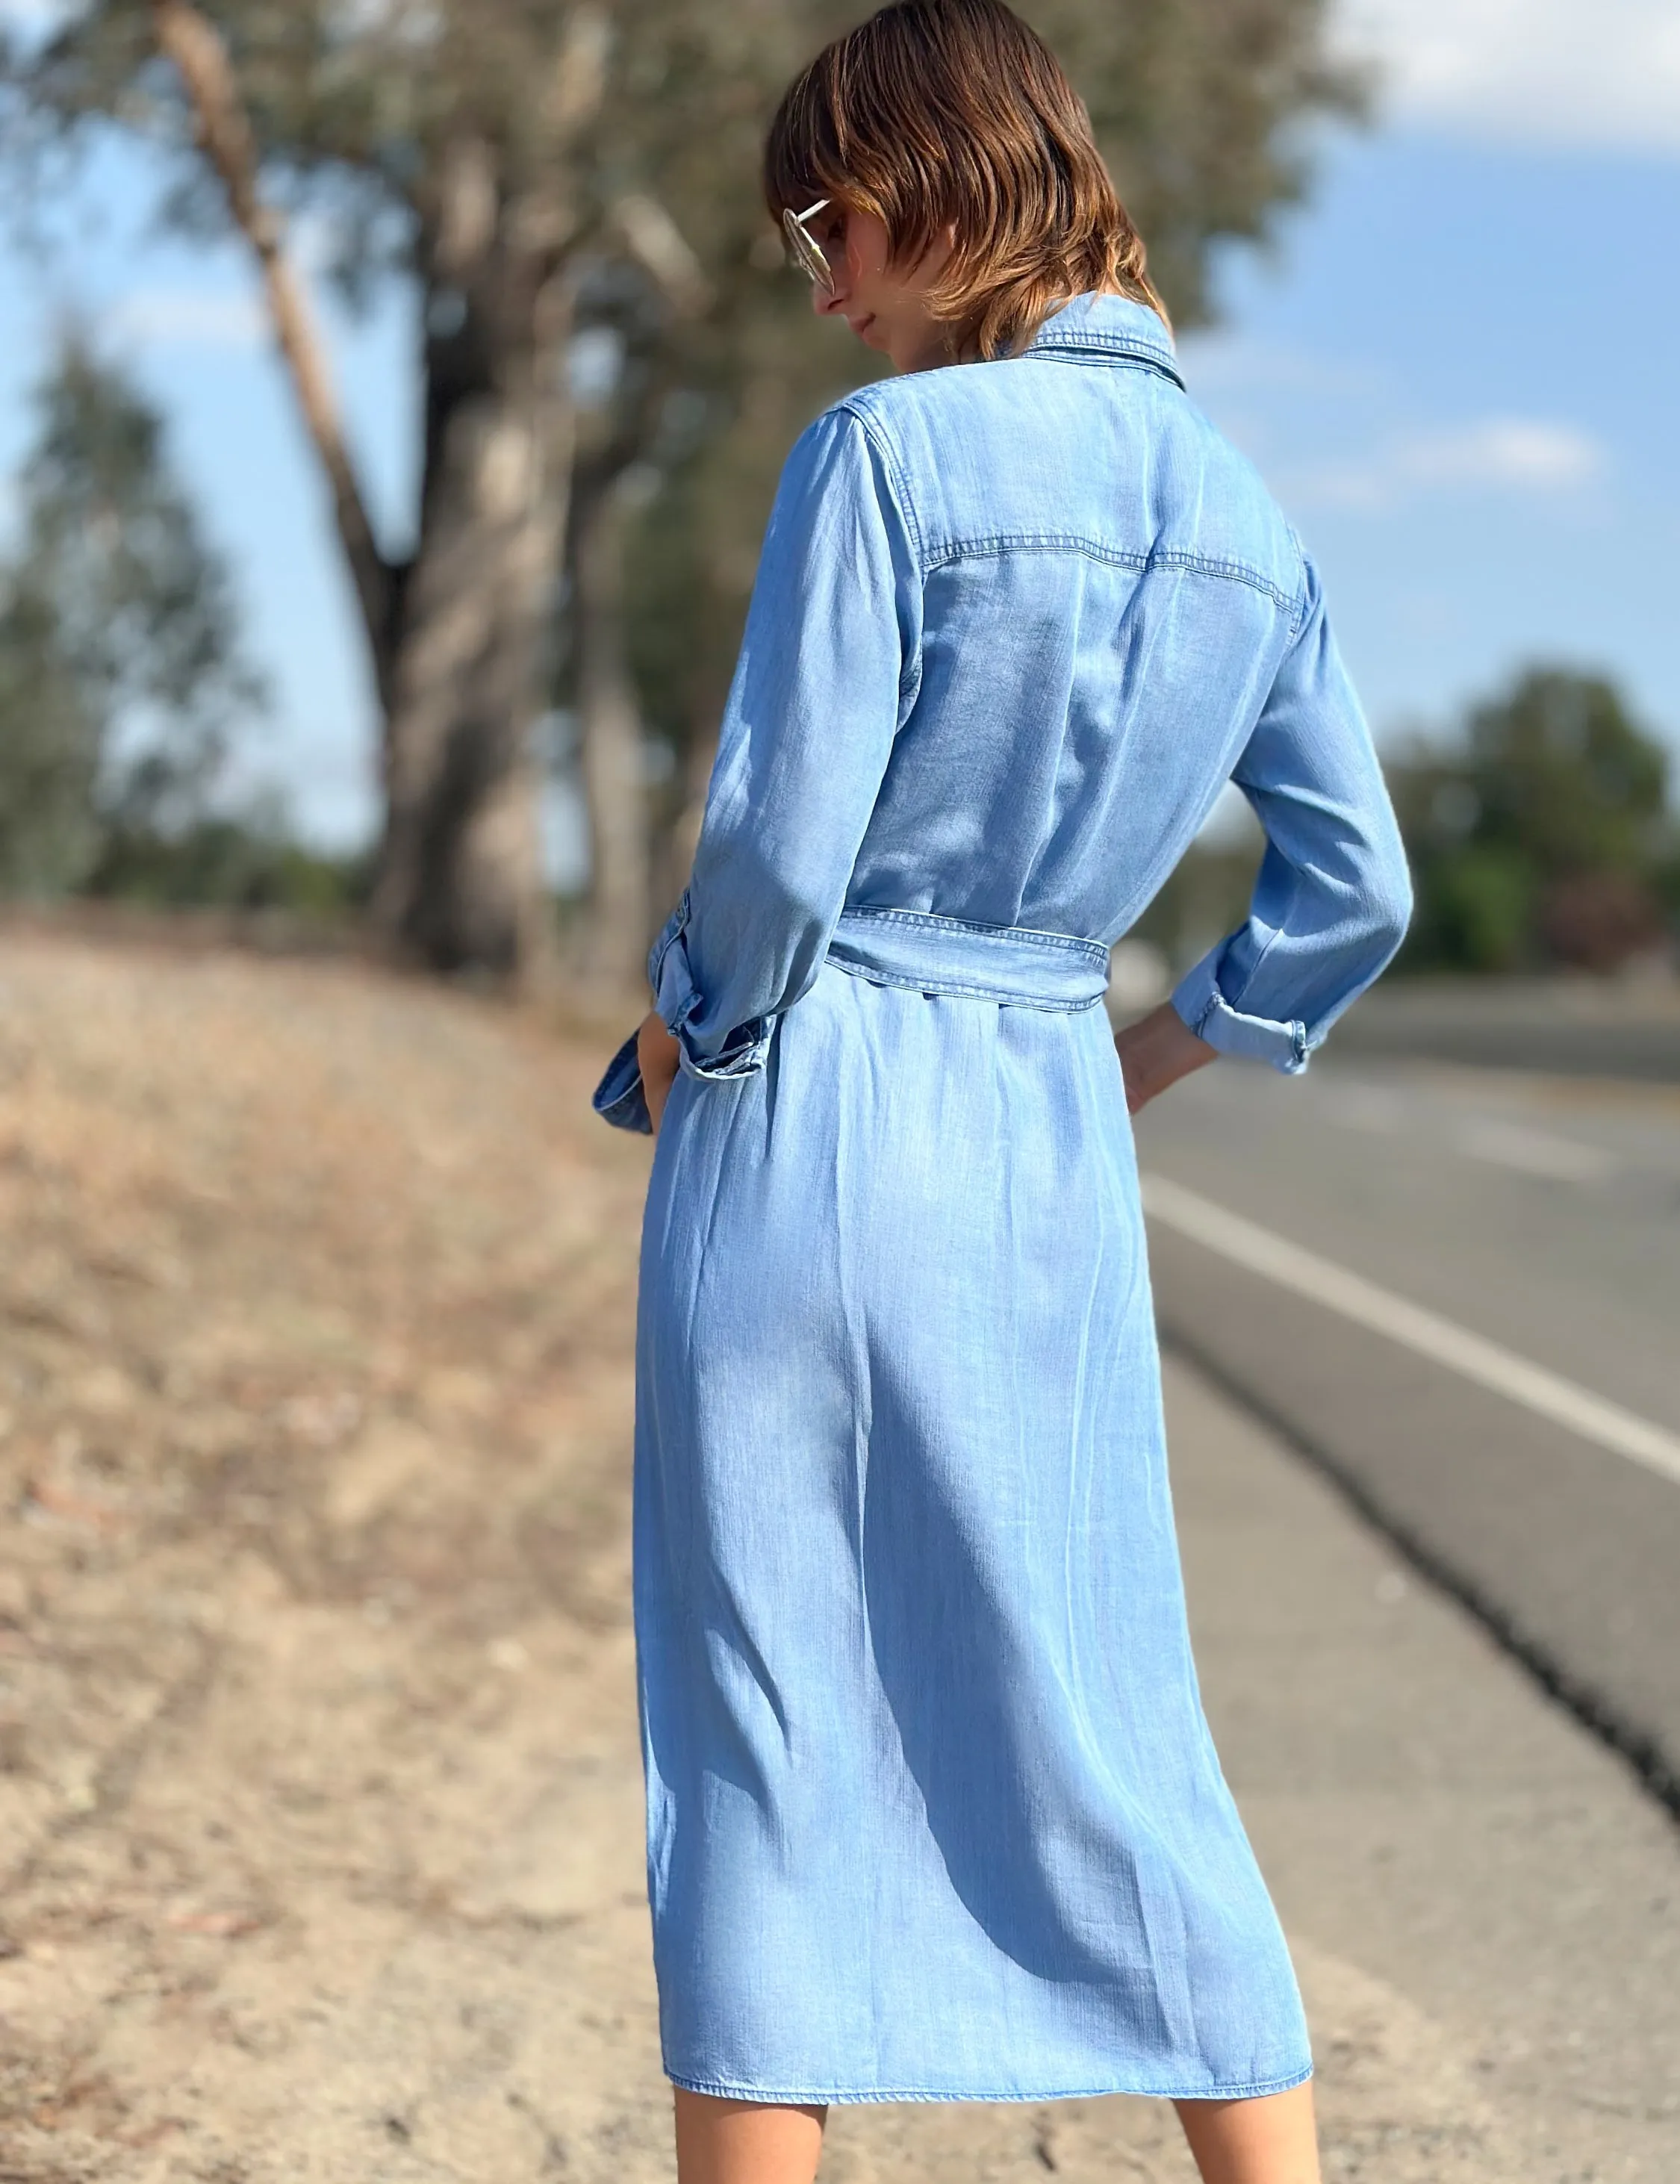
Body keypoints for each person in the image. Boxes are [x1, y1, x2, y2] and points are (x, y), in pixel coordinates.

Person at [593, 4, 1412, 2179]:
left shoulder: (882, 467)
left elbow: (776, 855)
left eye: (829, 220)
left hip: (814, 1102)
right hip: (1049, 1134)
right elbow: (1359, 888)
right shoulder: (1249, 523)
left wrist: (682, 1027)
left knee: (763, 1722)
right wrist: (1147, 1049)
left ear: (947, 182)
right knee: (1119, 1706)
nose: (829, 284)